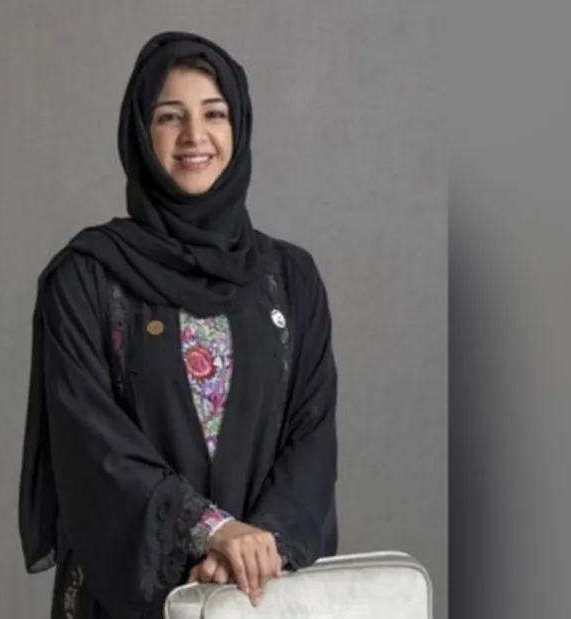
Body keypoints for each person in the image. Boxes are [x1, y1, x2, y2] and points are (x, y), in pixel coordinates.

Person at [18, 31, 338, 619]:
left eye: (214, 114)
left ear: (238, 127)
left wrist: (254, 548)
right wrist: (211, 531)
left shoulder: (291, 278)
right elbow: (93, 447)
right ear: (141, 134)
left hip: (260, 595)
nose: (195, 136)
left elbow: (311, 436)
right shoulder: (85, 278)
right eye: (170, 117)